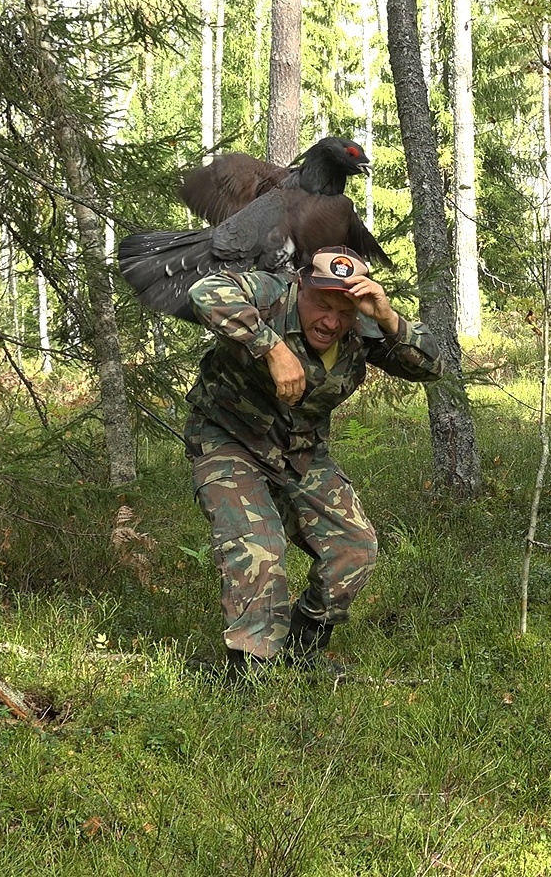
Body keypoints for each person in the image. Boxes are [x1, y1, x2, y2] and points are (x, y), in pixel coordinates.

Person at [181, 246, 442, 681]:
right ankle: (249, 675)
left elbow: (430, 365)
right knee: (258, 548)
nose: (331, 321)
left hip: (300, 451)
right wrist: (271, 348)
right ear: (301, 287)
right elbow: (205, 290)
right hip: (228, 439)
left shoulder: (361, 327)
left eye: (344, 311)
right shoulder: (271, 293)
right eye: (322, 305)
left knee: (353, 547)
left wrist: (387, 317)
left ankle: (302, 648)